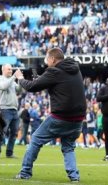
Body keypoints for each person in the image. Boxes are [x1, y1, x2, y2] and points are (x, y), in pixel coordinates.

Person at [14, 47, 86, 182]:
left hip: (61, 117)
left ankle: (25, 172)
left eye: (47, 60)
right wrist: (41, 79)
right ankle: (74, 176)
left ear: (52, 59)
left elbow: (31, 87)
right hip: (78, 119)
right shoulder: (75, 69)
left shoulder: (54, 71)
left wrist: (20, 78)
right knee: (68, 147)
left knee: (35, 140)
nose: (46, 63)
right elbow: (60, 87)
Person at [0, 64, 20, 158]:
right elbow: (4, 86)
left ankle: (9, 153)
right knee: (2, 131)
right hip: (5, 109)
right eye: (9, 69)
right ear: (3, 70)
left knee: (14, 133)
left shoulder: (12, 80)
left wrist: (20, 79)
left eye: (11, 69)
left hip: (14, 109)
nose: (11, 71)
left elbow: (19, 90)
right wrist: (13, 77)